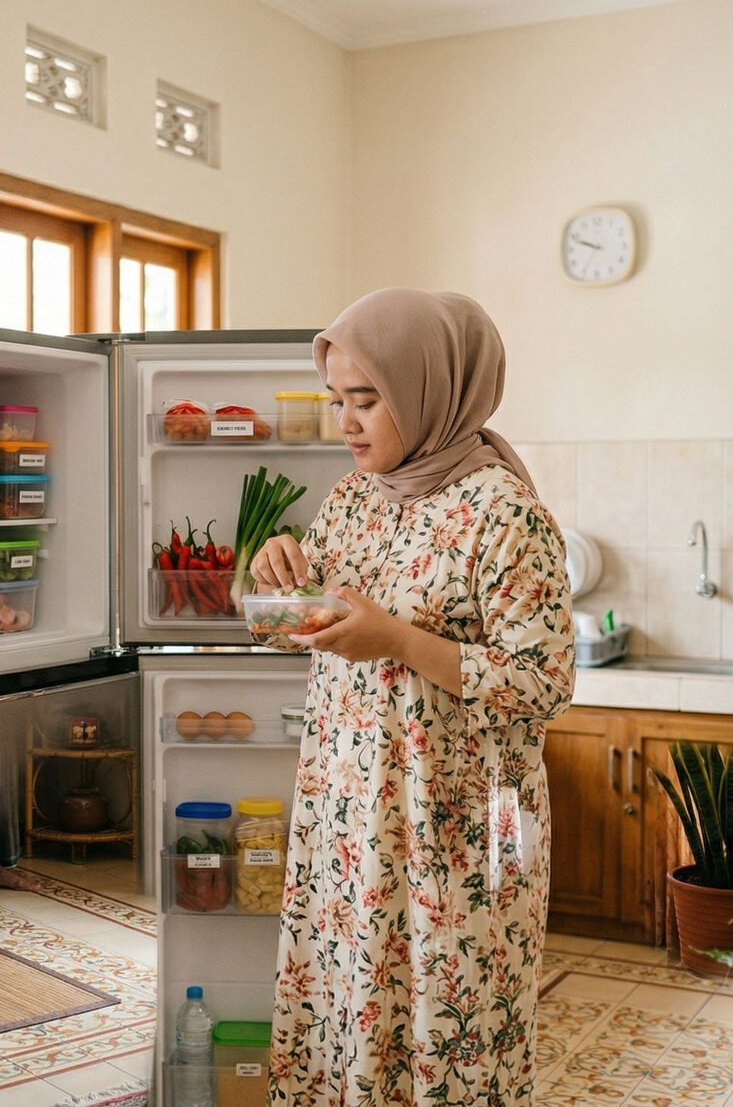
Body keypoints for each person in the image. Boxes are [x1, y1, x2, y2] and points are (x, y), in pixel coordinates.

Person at [251, 289, 575, 1106]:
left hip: (463, 833)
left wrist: (398, 639)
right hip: (349, 823)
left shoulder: (505, 515)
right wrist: (271, 577)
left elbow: (543, 681)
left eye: (367, 399)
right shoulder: (352, 500)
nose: (346, 422)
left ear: (430, 391)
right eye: (337, 400)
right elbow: (290, 626)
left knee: (449, 1032)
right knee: (349, 1017)